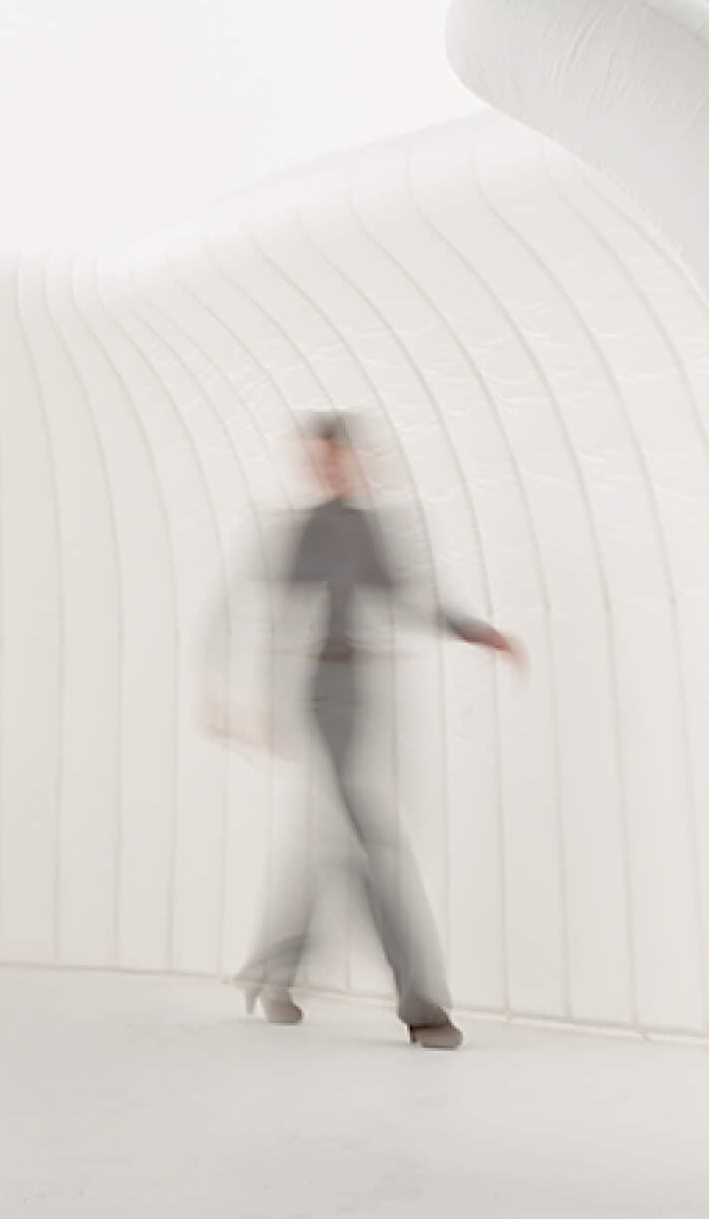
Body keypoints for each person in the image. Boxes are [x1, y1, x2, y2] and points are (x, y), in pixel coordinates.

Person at [212, 413, 522, 1048]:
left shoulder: (371, 529)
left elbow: (410, 597)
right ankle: (422, 1004)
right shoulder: (305, 530)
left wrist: (473, 630)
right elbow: (266, 611)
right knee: (374, 839)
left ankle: (275, 969)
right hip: (323, 693)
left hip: (363, 692)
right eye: (316, 461)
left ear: (357, 460)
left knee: (338, 842)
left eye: (334, 459)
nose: (324, 470)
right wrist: (253, 699)